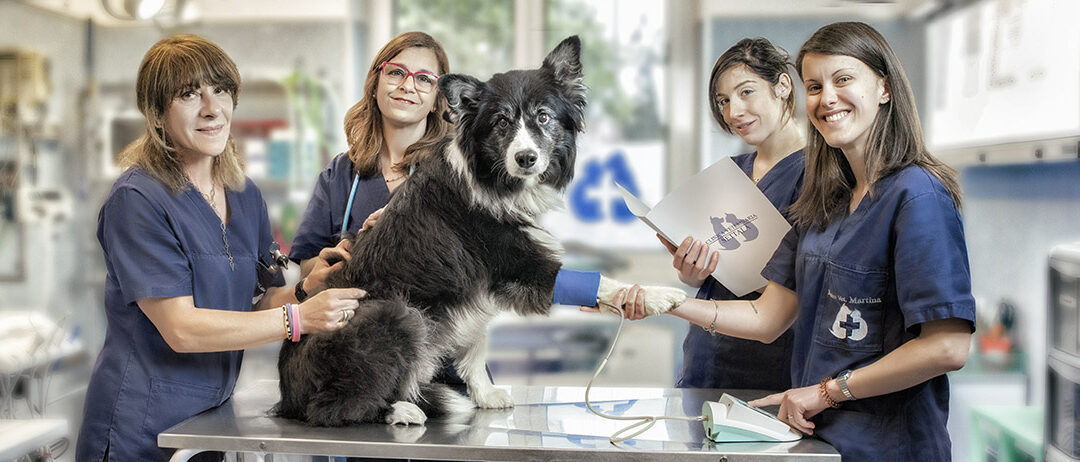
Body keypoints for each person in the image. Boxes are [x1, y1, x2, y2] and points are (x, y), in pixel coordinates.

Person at [616, 22, 974, 460]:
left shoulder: (917, 196)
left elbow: (947, 346)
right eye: (815, 86)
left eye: (843, 80)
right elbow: (769, 317)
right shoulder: (825, 199)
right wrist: (665, 301)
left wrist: (827, 392)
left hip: (887, 444)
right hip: (819, 438)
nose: (826, 99)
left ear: (884, 87)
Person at [76, 35, 366, 462]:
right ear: (156, 114)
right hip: (139, 427)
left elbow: (257, 300)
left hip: (208, 423)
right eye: (189, 94)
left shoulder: (244, 194)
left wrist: (306, 291)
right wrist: (299, 319)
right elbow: (182, 328)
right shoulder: (137, 200)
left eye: (221, 90)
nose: (212, 109)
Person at [288, 31, 603, 386]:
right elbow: (307, 272)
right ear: (375, 80)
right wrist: (346, 258)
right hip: (371, 363)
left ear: (442, 100)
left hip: (453, 367)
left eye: (424, 79)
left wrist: (592, 291)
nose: (408, 86)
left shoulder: (469, 170)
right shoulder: (340, 175)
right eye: (396, 72)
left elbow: (513, 266)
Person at [666, 37, 805, 391]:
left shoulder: (818, 176)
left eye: (746, 92)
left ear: (783, 86)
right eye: (724, 101)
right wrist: (693, 272)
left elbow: (795, 288)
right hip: (704, 361)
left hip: (769, 371)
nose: (734, 112)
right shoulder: (733, 171)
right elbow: (718, 275)